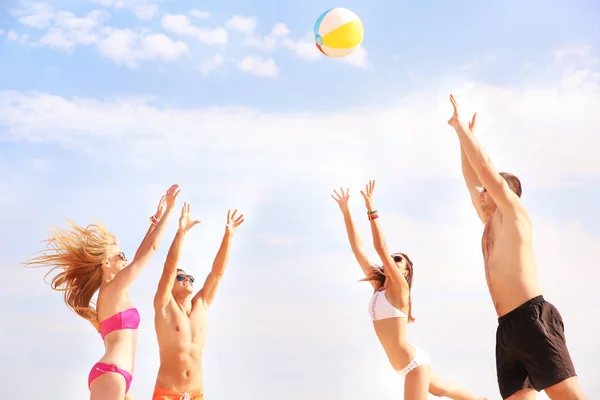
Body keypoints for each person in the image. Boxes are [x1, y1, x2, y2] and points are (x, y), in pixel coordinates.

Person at [448, 94, 587, 400]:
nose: (480, 193)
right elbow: (472, 178)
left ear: (506, 191)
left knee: (570, 397)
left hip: (532, 318)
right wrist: (463, 141)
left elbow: (484, 168)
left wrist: (462, 129)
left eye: (488, 189)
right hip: (507, 328)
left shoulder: (513, 214)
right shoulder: (490, 224)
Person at [332, 181, 486, 400]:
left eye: (398, 260)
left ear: (405, 273)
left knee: (442, 389)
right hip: (402, 365)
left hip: (414, 365)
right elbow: (358, 248)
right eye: (393, 258)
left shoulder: (401, 290)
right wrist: (346, 211)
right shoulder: (378, 287)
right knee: (443, 389)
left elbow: (381, 248)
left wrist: (370, 208)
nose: (392, 260)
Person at [24, 184, 181, 400]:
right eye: (120, 254)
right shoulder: (114, 289)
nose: (125, 259)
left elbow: (140, 253)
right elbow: (149, 251)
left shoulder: (111, 292)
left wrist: (155, 220)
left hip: (119, 378)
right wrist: (171, 211)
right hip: (112, 374)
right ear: (106, 262)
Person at [151, 203, 245, 400]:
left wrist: (229, 236)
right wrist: (182, 232)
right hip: (167, 395)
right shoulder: (165, 305)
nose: (187, 279)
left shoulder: (201, 305)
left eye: (191, 278)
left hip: (196, 394)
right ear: (170, 285)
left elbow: (217, 273)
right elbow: (169, 267)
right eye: (181, 277)